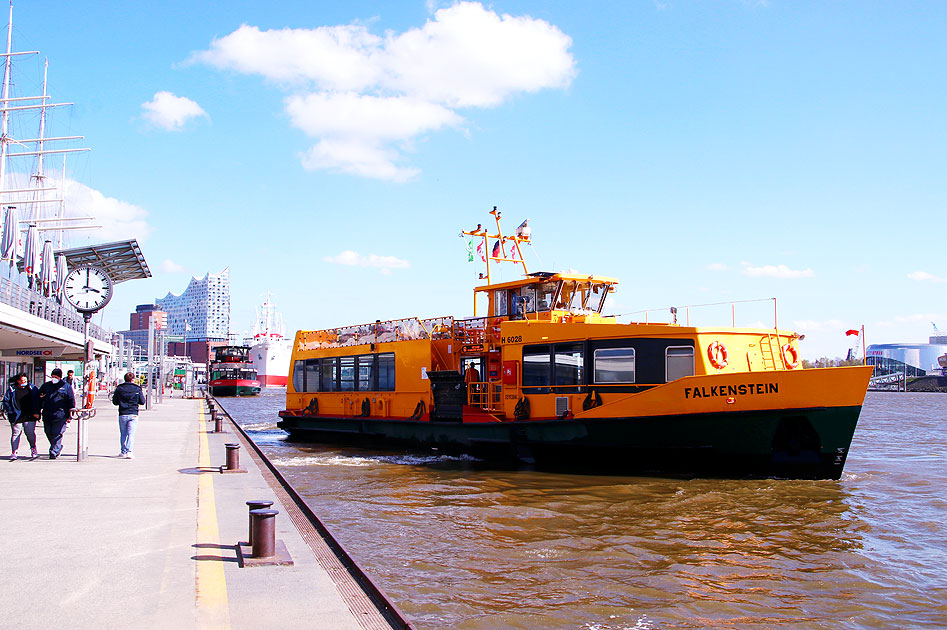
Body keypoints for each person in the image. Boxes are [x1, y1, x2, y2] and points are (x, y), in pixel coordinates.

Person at [38, 368, 76, 460]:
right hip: (47, 414)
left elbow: (71, 400)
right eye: (53, 376)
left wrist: (69, 415)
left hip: (60, 414)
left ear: (60, 377)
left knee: (57, 433)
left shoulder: (66, 386)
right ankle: (57, 447)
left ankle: (53, 451)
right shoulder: (46, 386)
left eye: (56, 377)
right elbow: (39, 397)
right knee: (48, 432)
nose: (54, 378)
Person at [4, 373, 40, 461]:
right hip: (16, 415)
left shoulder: (32, 388)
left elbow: (37, 400)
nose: (24, 382)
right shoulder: (12, 389)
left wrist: (37, 412)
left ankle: (33, 448)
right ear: (18, 381)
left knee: (30, 433)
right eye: (22, 380)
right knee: (16, 433)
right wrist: (10, 412)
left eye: (25, 380)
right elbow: (6, 401)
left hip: (29, 415)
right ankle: (14, 452)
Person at [112, 372, 144, 459]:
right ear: (133, 379)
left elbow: (115, 402)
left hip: (122, 413)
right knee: (131, 434)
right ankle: (129, 452)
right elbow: (142, 401)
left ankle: (123, 451)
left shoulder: (119, 388)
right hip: (133, 413)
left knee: (123, 433)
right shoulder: (137, 389)